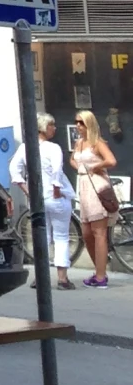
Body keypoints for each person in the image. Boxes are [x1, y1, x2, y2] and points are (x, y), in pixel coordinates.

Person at [11, 114, 73, 289]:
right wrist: (56, 189)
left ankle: (40, 278)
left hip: (38, 199)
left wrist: (28, 192)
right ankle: (62, 279)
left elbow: (14, 169)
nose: (54, 128)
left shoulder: (24, 147)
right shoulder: (53, 148)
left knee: (42, 238)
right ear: (44, 127)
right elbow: (56, 170)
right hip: (55, 197)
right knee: (61, 236)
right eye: (51, 125)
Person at [72, 110, 120, 287]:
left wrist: (96, 167)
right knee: (86, 233)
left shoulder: (97, 142)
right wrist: (80, 168)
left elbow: (111, 161)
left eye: (82, 123)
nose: (78, 125)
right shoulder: (79, 143)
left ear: (89, 124)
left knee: (99, 233)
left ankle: (101, 276)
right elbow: (73, 160)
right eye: (77, 122)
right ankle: (99, 270)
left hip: (97, 186)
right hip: (84, 187)